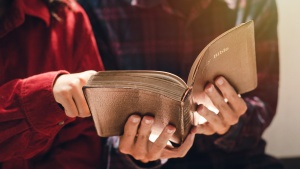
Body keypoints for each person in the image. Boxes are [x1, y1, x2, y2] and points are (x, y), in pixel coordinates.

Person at [78, 0, 284, 168]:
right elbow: (87, 126)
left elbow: (263, 101)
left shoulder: (253, 4)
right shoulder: (94, 9)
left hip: (233, 160)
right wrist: (131, 151)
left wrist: (233, 124)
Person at [0, 0, 195, 168]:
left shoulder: (68, 17)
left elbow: (85, 141)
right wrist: (39, 99)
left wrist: (225, 131)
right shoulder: (94, 11)